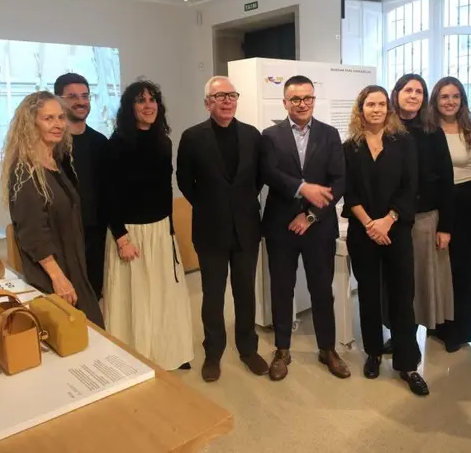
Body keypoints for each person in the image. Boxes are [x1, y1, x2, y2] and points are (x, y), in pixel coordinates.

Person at [176, 76, 269, 382]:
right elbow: (184, 180)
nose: (227, 101)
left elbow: (258, 178)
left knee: (245, 292)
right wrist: (209, 204)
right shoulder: (192, 137)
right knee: (213, 295)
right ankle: (213, 351)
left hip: (246, 228)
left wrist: (239, 203)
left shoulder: (252, 135)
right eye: (220, 96)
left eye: (232, 95)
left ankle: (248, 349)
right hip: (210, 229)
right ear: (208, 103)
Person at [260, 75, 349, 382]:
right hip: (280, 226)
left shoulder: (329, 134)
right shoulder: (270, 136)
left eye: (307, 98)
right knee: (281, 289)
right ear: (285, 102)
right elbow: (269, 173)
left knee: (322, 290)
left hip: (318, 226)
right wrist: (302, 187)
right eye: (295, 99)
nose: (302, 104)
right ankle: (282, 349)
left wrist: (310, 215)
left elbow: (339, 181)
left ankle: (327, 349)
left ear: (314, 100)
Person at [342, 85, 429, 396]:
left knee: (402, 295)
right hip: (363, 231)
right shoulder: (349, 147)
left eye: (381, 104)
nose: (376, 109)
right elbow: (348, 191)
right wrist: (370, 224)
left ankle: (407, 364)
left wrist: (388, 220)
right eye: (370, 104)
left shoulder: (403, 142)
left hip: (396, 229)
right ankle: (374, 353)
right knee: (368, 295)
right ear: (361, 109)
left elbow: (411, 186)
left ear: (388, 109)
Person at [104, 77, 194, 371]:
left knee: (164, 295)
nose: (148, 105)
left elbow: (165, 189)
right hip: (131, 233)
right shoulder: (116, 144)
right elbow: (110, 195)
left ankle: (169, 352)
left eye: (152, 99)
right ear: (129, 107)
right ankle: (138, 357)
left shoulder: (163, 142)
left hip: (160, 230)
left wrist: (169, 230)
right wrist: (121, 238)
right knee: (137, 297)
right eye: (141, 100)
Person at [1, 91, 104, 327]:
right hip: (53, 277)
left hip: (73, 267)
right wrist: (58, 278)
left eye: (60, 117)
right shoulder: (25, 171)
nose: (58, 125)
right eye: (48, 118)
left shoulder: (55, 162)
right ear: (31, 124)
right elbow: (33, 233)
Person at [389, 74, 455, 350]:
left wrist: (445, 226)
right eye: (408, 90)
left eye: (419, 91)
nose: (413, 95)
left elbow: (446, 179)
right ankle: (398, 334)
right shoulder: (385, 130)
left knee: (419, 281)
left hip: (424, 218)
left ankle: (411, 337)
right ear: (396, 93)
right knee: (395, 281)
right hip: (390, 219)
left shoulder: (433, 132)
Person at [432, 76, 471, 353]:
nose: (450, 101)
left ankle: (460, 329)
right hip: (438, 204)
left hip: (469, 203)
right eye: (444, 96)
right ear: (435, 100)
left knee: (465, 268)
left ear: (462, 100)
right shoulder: (428, 132)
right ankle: (438, 325)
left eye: (455, 96)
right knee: (441, 267)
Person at [53, 73, 110, 300]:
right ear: (58, 100)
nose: (81, 101)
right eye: (73, 96)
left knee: (94, 297)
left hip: (96, 236)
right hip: (63, 238)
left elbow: (107, 191)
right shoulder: (52, 146)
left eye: (85, 96)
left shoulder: (100, 143)